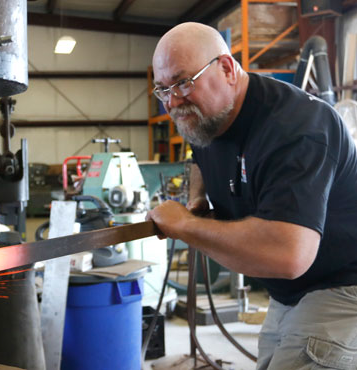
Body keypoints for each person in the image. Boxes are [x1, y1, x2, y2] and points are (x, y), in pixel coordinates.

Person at [146, 22, 357, 370]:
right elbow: (200, 152)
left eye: (183, 82)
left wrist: (184, 225)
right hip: (287, 293)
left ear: (227, 68)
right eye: (162, 89)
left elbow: (289, 254)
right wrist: (197, 199)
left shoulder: (297, 128)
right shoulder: (209, 115)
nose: (172, 100)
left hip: (341, 287)